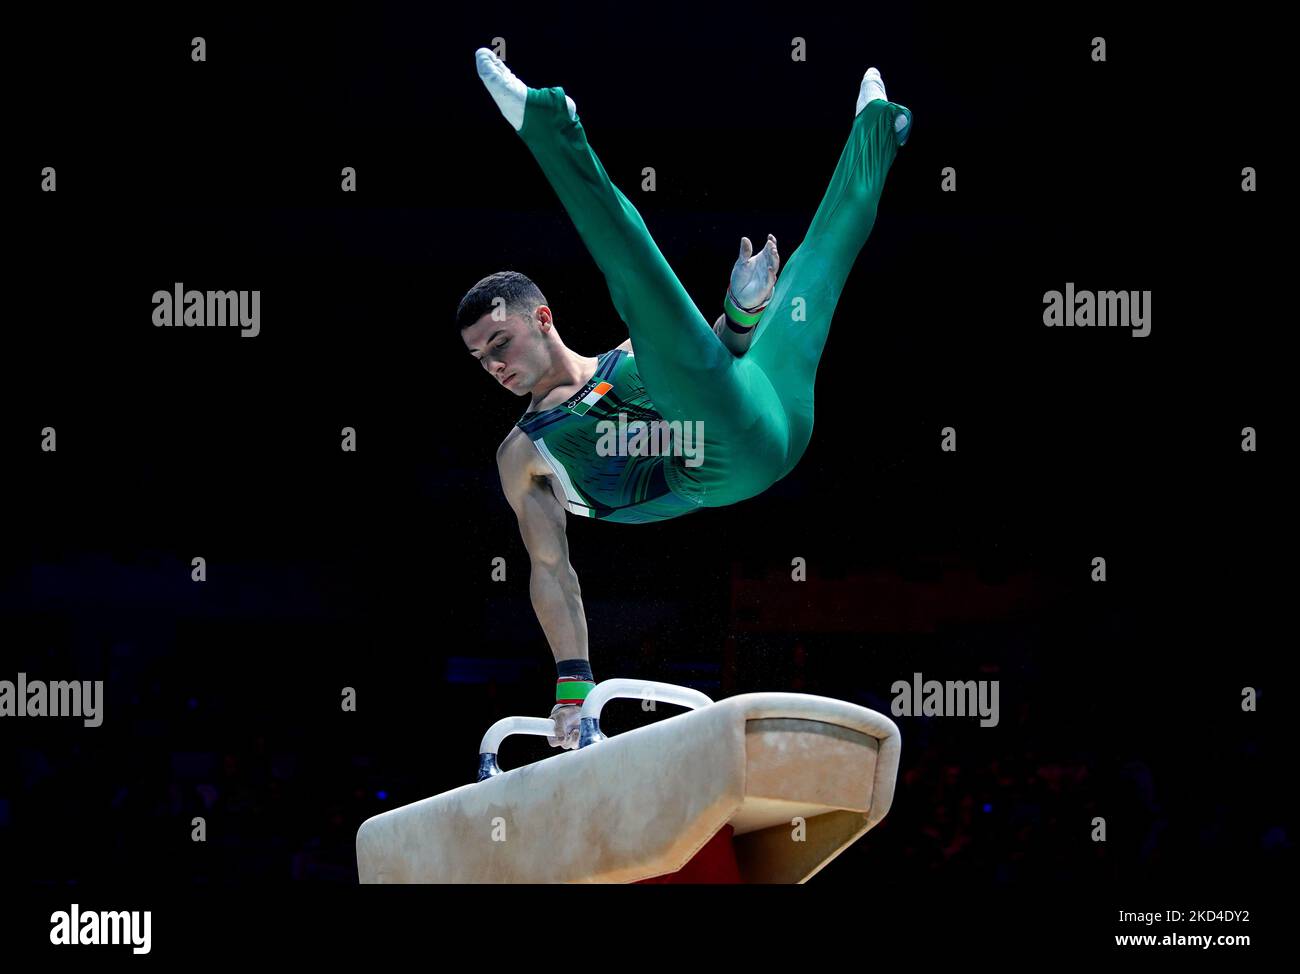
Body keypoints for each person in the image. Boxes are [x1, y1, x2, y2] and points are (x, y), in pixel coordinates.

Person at [459, 47, 911, 748]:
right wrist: (573, 688)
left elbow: (719, 357)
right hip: (720, 464)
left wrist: (744, 312)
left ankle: (877, 127)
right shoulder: (525, 453)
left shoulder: (636, 359)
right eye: (479, 358)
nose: (493, 364)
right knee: (666, 329)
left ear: (542, 318)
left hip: (760, 406)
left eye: (499, 342)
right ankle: (556, 132)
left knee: (818, 266)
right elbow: (554, 570)